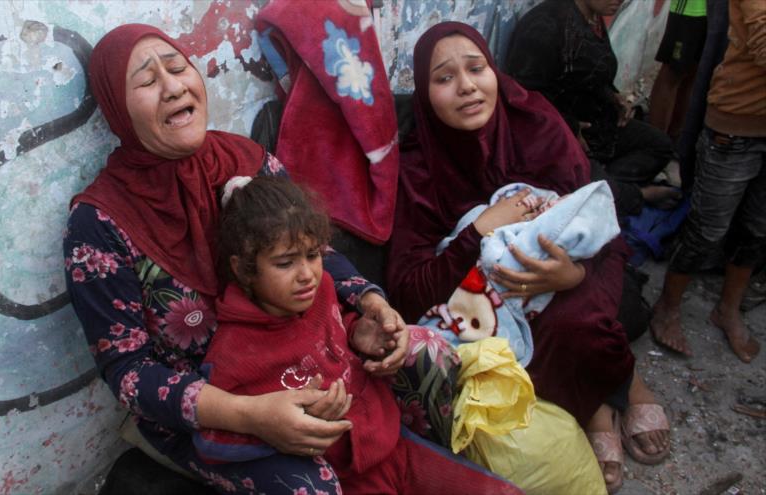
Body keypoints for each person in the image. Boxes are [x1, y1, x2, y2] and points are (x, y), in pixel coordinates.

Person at [63, 24, 409, 494]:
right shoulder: (99, 224)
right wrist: (251, 415)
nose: (172, 86)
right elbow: (128, 373)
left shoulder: (247, 161)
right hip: (212, 414)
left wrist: (370, 306)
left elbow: (315, 252)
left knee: (423, 353)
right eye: (146, 81)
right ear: (118, 111)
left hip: (300, 356)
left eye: (178, 66)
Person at [386, 22, 670, 493]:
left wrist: (572, 275)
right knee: (502, 351)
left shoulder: (536, 122)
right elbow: (409, 290)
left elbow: (600, 226)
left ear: (494, 71)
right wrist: (479, 230)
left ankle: (625, 388)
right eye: (443, 78)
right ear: (424, 92)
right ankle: (596, 405)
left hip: (578, 267)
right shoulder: (420, 169)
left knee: (584, 319)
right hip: (493, 297)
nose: (467, 86)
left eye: (476, 68)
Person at [195, 175, 521, 494]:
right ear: (242, 269)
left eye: (312, 256)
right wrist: (283, 423)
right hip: (344, 478)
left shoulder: (322, 291)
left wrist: (357, 333)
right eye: (285, 263)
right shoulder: (233, 354)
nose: (306, 274)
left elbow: (332, 327)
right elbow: (212, 441)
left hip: (395, 444)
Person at [650, 0, 764, 363]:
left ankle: (727, 309)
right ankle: (667, 306)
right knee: (707, 230)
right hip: (736, 126)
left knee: (757, 229)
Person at [505, 0, 680, 215]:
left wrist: (613, 95)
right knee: (586, 180)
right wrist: (569, 128)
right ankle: (631, 194)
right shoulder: (544, 26)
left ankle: (603, 189)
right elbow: (524, 97)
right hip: (556, 138)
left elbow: (591, 69)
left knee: (660, 146)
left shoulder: (592, 16)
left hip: (597, 124)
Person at [422, 180, 620, 368]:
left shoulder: (551, 230)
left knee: (588, 327)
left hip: (528, 293)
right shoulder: (533, 198)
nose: (551, 206)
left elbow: (599, 239)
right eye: (557, 202)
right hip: (456, 274)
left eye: (560, 206)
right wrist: (480, 228)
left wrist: (577, 273)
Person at [648, 0, 708, 143]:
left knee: (693, 73)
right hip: (689, 9)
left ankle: (675, 136)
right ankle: (655, 141)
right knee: (672, 73)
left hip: (714, 10)